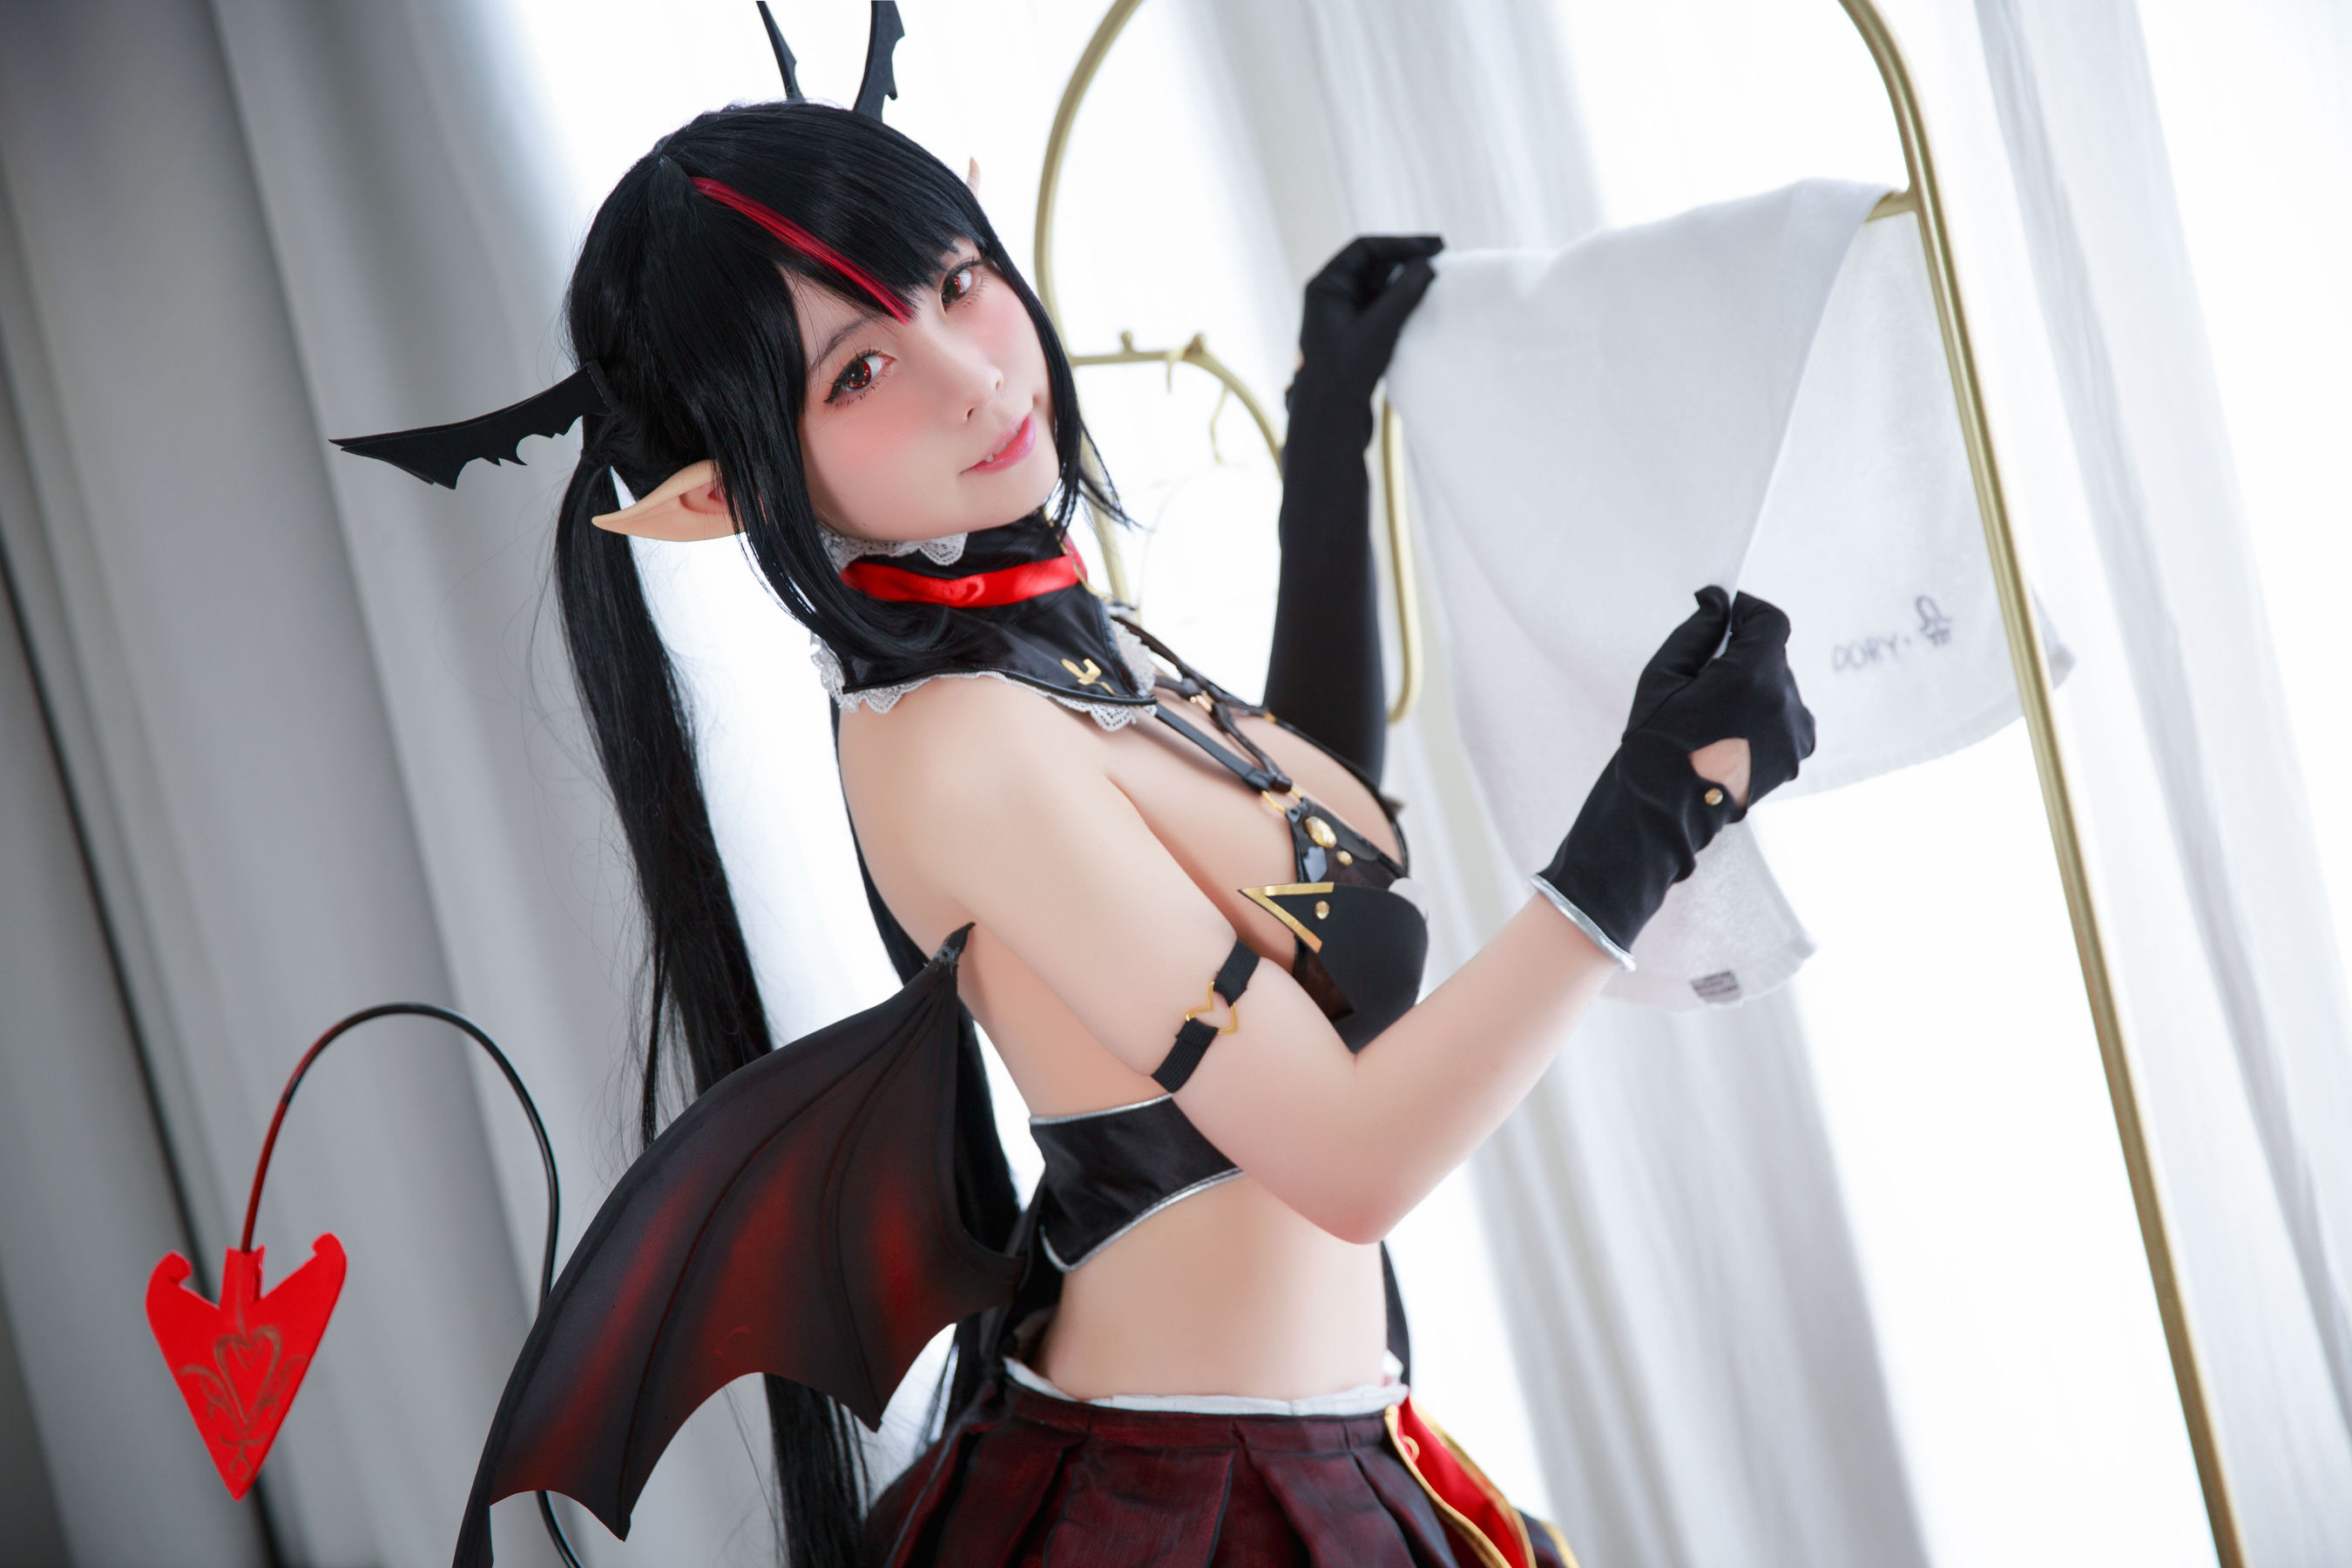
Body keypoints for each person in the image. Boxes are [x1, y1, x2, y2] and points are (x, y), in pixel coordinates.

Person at [347, 85, 1812, 1568]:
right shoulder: (957, 744)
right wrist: (1657, 810)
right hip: (1187, 1509)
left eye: (956, 282)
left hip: (1311, 1450)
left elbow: (1301, 852)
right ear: (720, 495)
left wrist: (1328, 435)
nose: (974, 377)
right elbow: (1353, 1157)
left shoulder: (1034, 643)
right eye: (858, 373)